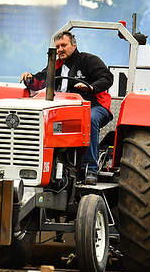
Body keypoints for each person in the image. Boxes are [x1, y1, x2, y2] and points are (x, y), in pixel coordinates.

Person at [20, 31, 113, 185]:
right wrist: (29, 78)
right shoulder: (55, 66)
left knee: (89, 119)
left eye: (64, 45)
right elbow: (40, 81)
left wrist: (90, 87)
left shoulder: (88, 60)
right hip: (66, 111)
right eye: (57, 47)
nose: (60, 49)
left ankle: (90, 167)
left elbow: (107, 78)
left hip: (95, 106)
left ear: (74, 45)